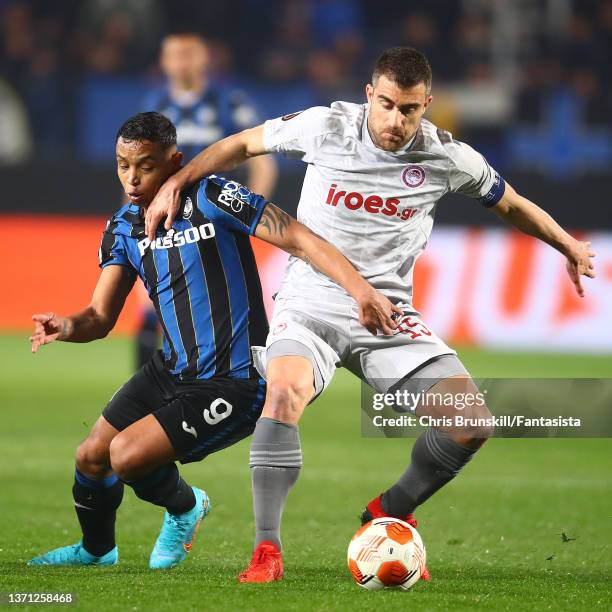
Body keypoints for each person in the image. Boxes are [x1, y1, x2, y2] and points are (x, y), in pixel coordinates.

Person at [143, 47, 596, 582]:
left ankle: (388, 512)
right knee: (283, 392)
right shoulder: (324, 128)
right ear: (368, 96)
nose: (395, 120)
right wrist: (178, 181)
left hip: (387, 315)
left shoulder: (448, 158)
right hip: (310, 303)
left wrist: (567, 243)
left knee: (471, 424)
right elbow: (241, 143)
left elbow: (512, 203)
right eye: (386, 105)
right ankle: (267, 550)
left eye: (409, 109)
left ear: (427, 104)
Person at [27, 111, 397, 569]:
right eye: (123, 165)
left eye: (145, 165)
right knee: (91, 457)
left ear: (174, 161)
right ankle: (97, 550)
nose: (132, 177)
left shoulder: (214, 197)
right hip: (171, 369)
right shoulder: (123, 226)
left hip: (232, 379)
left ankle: (186, 507)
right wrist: (65, 326)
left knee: (126, 456)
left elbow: (299, 239)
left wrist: (361, 289)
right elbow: (101, 317)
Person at [135, 31, 278, 368]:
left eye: (190, 54)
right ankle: (144, 389)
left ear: (204, 60)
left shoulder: (230, 102)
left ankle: (253, 386)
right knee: (150, 306)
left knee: (232, 305)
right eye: (175, 55)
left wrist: (247, 212)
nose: (182, 62)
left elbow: (264, 164)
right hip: (166, 220)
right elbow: (137, 168)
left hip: (215, 219)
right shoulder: (154, 107)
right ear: (164, 62)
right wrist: (134, 214)